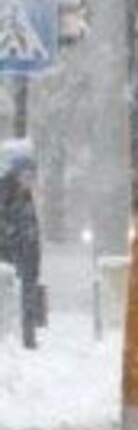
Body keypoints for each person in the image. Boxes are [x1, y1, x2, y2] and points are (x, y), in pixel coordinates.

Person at [0, 143, 42, 350]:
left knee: (27, 297)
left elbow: (30, 226)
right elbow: (8, 225)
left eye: (32, 176)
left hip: (25, 258)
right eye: (27, 176)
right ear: (17, 174)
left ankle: (28, 340)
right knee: (13, 299)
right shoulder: (6, 192)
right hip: (12, 258)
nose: (31, 180)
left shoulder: (25, 195)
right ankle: (18, 341)